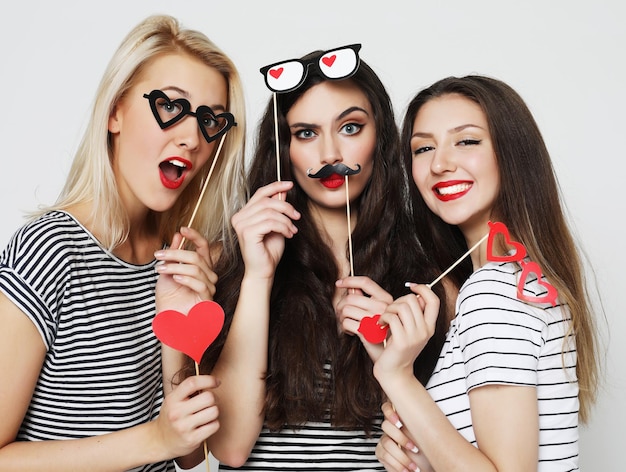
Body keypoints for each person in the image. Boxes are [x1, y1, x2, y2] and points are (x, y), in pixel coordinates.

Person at [0, 14, 246, 471]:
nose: (192, 137)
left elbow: (190, 453)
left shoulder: (184, 261)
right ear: (115, 111)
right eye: (171, 106)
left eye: (210, 121)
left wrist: (177, 321)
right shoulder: (49, 249)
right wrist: (154, 438)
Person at [189, 44, 450, 470]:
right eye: (306, 133)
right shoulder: (226, 265)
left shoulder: (433, 277)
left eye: (350, 127)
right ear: (283, 150)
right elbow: (229, 448)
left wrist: (393, 359)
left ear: (380, 137)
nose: (330, 154)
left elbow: (441, 455)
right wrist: (258, 277)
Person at [372, 75, 600, 471]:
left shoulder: (494, 290)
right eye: (424, 148)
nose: (440, 163)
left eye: (467, 140)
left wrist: (396, 375)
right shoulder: (523, 281)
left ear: (512, 153)